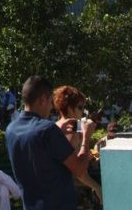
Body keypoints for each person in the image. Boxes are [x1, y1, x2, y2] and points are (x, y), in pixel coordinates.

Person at [6, 75, 94, 210]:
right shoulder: (47, 130)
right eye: (50, 101)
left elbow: (38, 152)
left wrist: (58, 131)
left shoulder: (11, 129)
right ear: (42, 99)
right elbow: (79, 170)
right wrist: (86, 137)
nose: (52, 107)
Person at [53, 85, 102, 205]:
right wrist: (97, 188)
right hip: (69, 195)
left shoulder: (56, 127)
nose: (83, 112)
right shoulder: (70, 133)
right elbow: (78, 172)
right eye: (80, 107)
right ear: (69, 108)